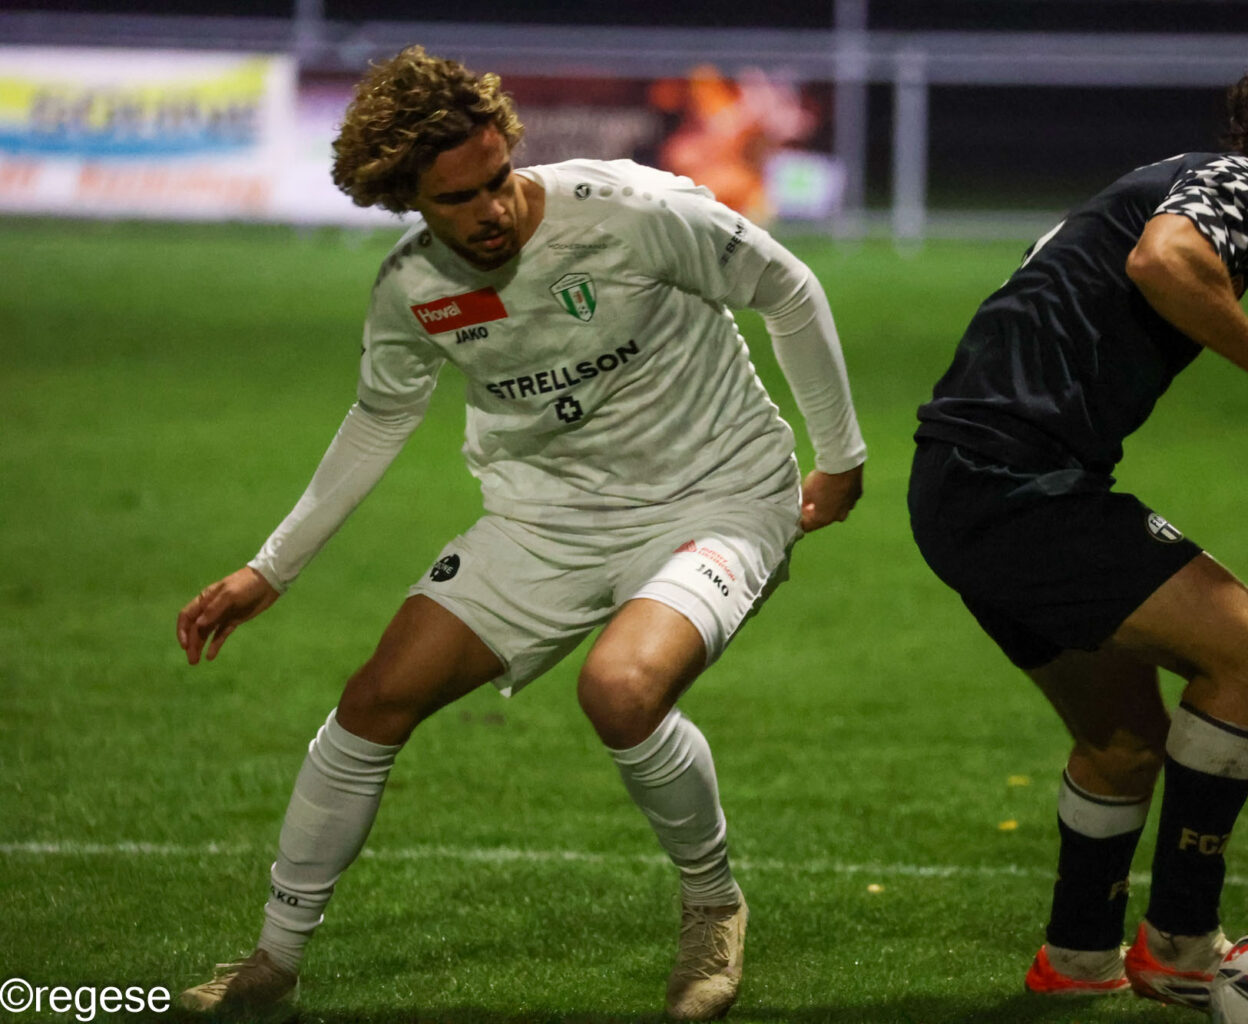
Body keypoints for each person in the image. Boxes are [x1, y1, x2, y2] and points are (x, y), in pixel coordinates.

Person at [176, 45, 865, 1021]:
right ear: (406, 200)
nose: (492, 210)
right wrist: (270, 570)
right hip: (545, 517)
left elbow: (787, 288)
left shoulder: (631, 210)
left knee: (621, 689)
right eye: (457, 199)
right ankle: (272, 963)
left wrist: (840, 456)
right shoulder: (414, 290)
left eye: (498, 178)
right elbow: (379, 418)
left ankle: (713, 907)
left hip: (716, 495)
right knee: (373, 701)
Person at [907, 1, 1248, 1007]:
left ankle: (1078, 961)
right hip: (1014, 483)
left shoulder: (1196, 180)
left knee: (1122, 741)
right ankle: (1184, 944)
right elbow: (1162, 262)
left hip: (965, 484)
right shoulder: (1238, 186)